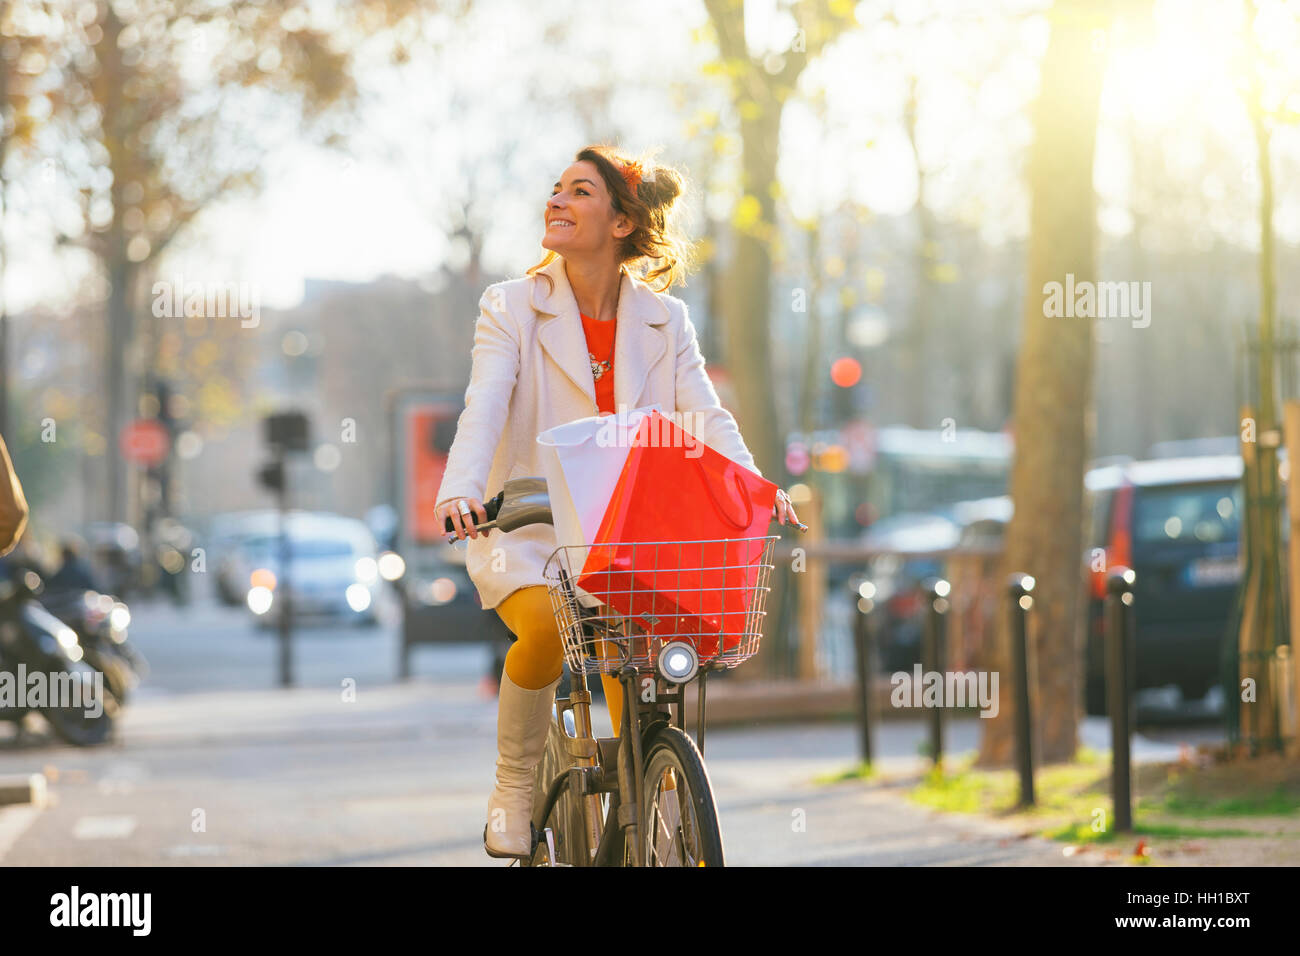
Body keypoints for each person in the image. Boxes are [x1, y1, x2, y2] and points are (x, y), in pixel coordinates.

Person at [434, 144, 801, 860]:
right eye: (555, 190)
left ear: (623, 222)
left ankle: (652, 801)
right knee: (543, 627)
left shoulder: (665, 320)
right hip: (529, 522)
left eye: (578, 192)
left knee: (638, 657)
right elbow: (484, 405)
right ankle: (512, 789)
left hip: (625, 532)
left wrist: (756, 490)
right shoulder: (511, 305)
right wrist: (461, 490)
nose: (557, 202)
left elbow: (705, 419)